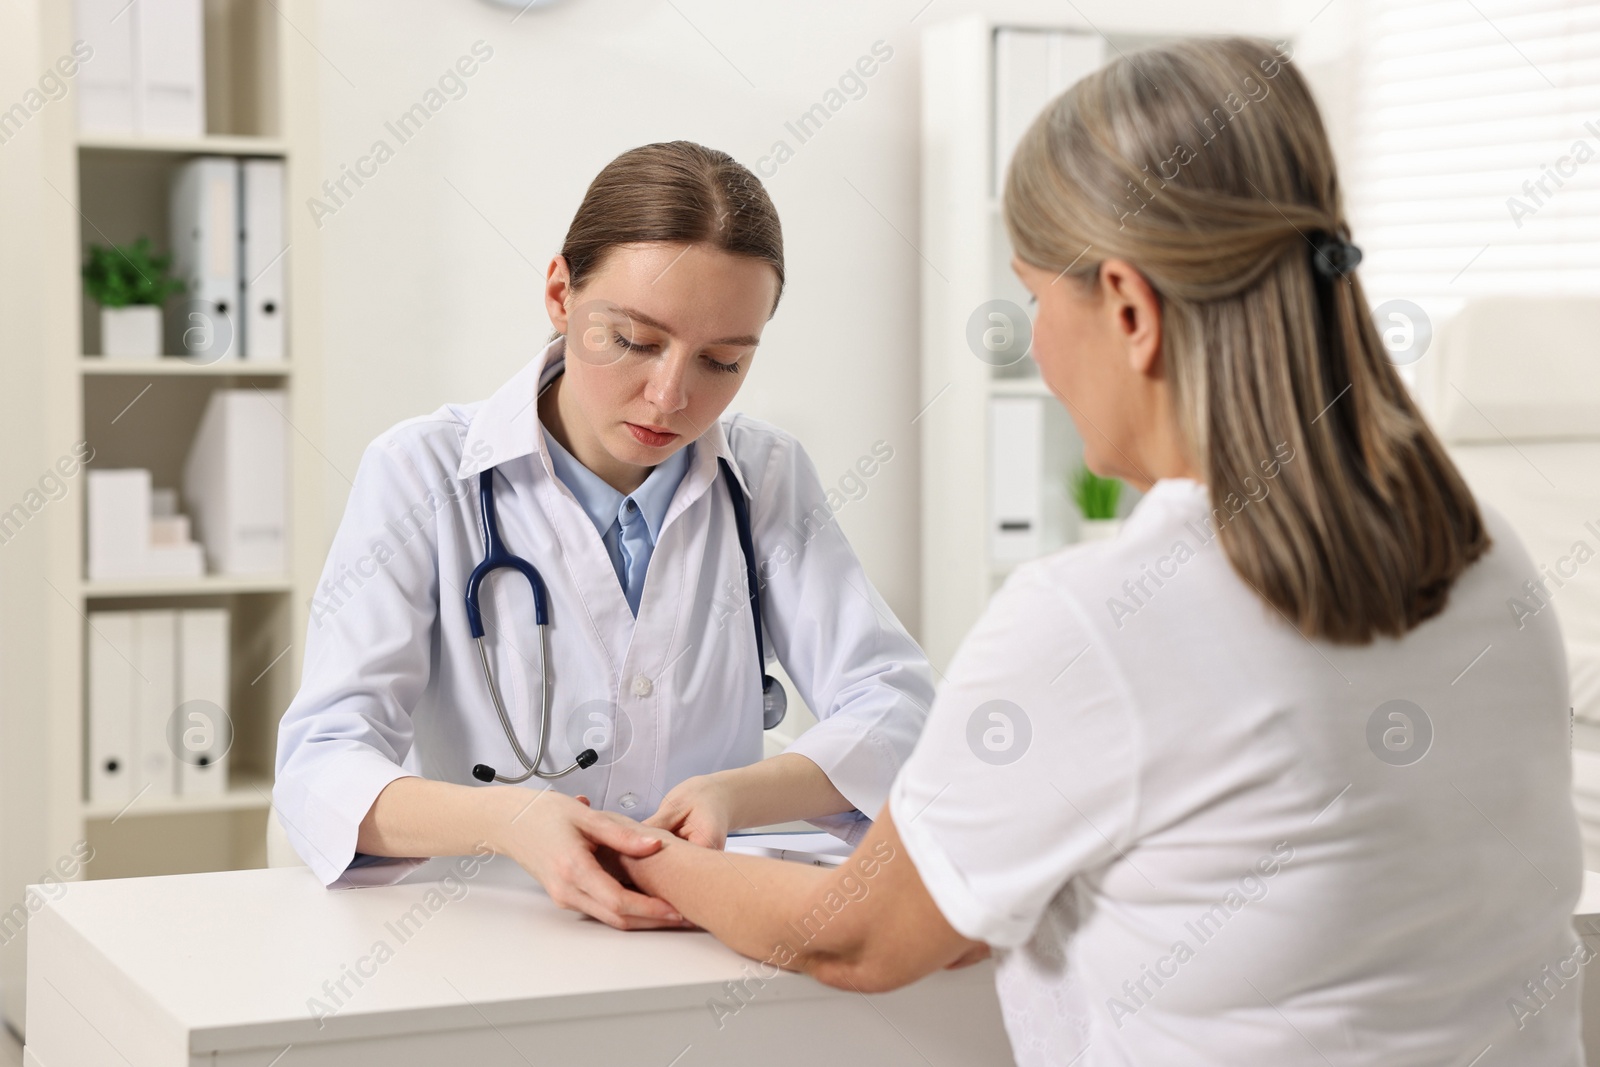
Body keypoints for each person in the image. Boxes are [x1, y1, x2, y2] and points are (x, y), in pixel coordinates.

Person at [614, 38, 1586, 1066]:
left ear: (1127, 307)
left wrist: (653, 857)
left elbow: (861, 933)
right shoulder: (1487, 555)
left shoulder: (1094, 620)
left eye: (1035, 296)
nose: (1031, 339)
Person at [273, 141, 932, 931]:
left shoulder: (765, 474)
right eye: (634, 340)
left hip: (702, 941)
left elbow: (897, 707)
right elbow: (321, 765)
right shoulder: (422, 473)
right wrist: (512, 822)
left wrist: (734, 793)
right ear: (560, 293)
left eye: (722, 361)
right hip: (479, 938)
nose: (671, 395)